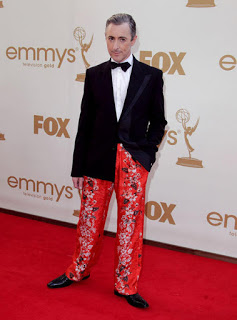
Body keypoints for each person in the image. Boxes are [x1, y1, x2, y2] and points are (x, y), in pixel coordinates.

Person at [47, 13, 167, 309]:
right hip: (96, 160)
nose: (115, 46)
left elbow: (159, 122)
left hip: (132, 162)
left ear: (133, 40)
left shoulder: (152, 77)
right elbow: (84, 123)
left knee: (130, 225)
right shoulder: (95, 74)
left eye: (122, 39)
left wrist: (146, 156)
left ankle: (126, 285)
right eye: (111, 39)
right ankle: (78, 271)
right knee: (89, 222)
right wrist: (78, 167)